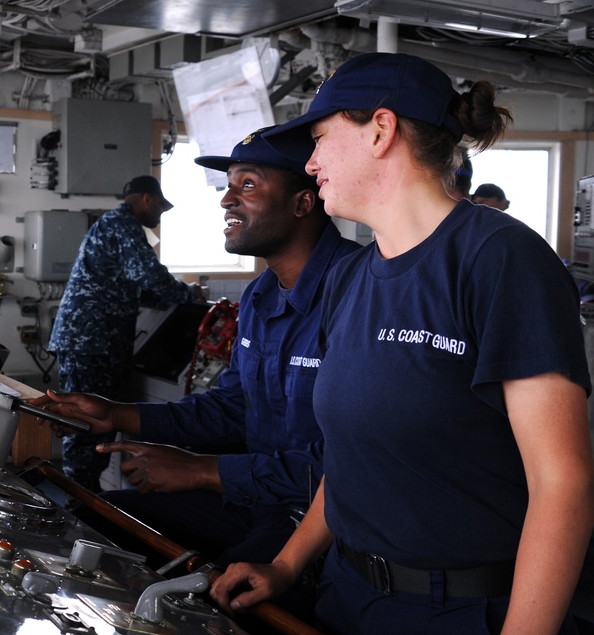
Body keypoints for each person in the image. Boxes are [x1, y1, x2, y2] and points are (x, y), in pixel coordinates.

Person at [210, 52, 594, 634]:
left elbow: (562, 482)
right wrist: (288, 564)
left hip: (460, 609)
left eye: (318, 138)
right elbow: (350, 458)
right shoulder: (350, 276)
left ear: (381, 131)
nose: (310, 163)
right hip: (347, 593)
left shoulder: (500, 260)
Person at [36, 130, 361, 565]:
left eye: (247, 184)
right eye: (229, 186)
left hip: (320, 520)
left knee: (224, 593)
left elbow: (355, 462)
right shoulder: (262, 296)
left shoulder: (361, 296)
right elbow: (232, 407)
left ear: (303, 203)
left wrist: (201, 471)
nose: (226, 200)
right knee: (93, 526)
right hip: (255, 499)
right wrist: (116, 415)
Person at [47, 175, 199, 492]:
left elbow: (131, 290)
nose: (159, 215)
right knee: (85, 423)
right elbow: (149, 275)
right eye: (159, 206)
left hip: (91, 340)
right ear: (146, 199)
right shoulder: (124, 224)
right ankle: (80, 500)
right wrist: (189, 295)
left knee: (87, 423)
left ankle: (83, 493)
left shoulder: (112, 225)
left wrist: (170, 298)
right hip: (92, 341)